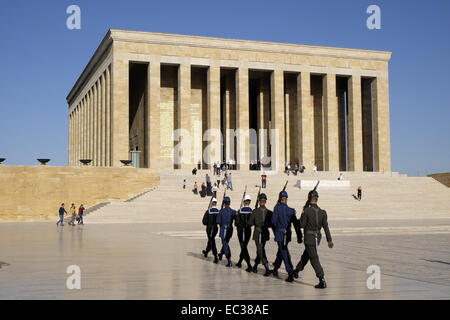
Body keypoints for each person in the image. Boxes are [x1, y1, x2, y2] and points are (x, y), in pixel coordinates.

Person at [293, 190, 333, 289]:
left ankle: (322, 279)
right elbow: (326, 227)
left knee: (314, 258)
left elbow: (301, 225)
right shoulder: (323, 212)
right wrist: (329, 240)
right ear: (317, 199)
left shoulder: (307, 211)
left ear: (309, 199)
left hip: (309, 238)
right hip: (317, 238)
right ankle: (297, 270)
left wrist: (302, 213)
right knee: (306, 255)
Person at [271, 191, 302, 282]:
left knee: (284, 253)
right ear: (286, 199)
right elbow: (296, 224)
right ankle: (276, 268)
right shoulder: (291, 210)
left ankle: (290, 272)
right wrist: (299, 236)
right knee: (281, 251)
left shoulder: (277, 208)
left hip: (280, 234)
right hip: (287, 235)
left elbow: (273, 221)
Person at [248, 193, 273, 276]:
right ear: (265, 201)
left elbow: (250, 223)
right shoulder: (269, 212)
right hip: (265, 233)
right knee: (260, 249)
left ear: (259, 201)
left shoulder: (255, 211)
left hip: (258, 233)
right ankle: (255, 266)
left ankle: (267, 268)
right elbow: (271, 224)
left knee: (260, 250)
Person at [235, 194, 253, 272]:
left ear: (244, 201)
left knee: (243, 247)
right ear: (249, 202)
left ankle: (249, 264)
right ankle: (239, 262)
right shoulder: (252, 211)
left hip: (241, 232)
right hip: (248, 231)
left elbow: (236, 223)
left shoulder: (239, 211)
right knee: (244, 246)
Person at [216, 196, 236, 267]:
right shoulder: (233, 211)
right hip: (230, 230)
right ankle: (221, 254)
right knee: (226, 243)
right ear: (229, 203)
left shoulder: (221, 211)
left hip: (223, 230)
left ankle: (229, 259)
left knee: (225, 244)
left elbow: (218, 221)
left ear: (224, 203)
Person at [202, 198, 220, 263]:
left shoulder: (208, 211)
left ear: (211, 203)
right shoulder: (218, 211)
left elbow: (204, 222)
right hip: (215, 228)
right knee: (211, 240)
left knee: (212, 241)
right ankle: (206, 252)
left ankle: (215, 256)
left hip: (209, 229)